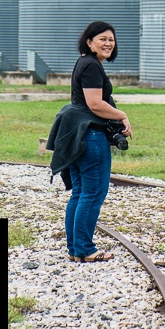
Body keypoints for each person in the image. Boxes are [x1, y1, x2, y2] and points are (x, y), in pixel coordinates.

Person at [46, 20, 132, 263]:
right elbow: (95, 104)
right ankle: (84, 249)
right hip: (90, 136)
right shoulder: (92, 66)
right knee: (92, 193)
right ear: (89, 41)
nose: (108, 43)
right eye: (102, 39)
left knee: (81, 192)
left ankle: (77, 249)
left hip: (76, 133)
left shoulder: (84, 63)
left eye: (111, 39)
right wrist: (122, 116)